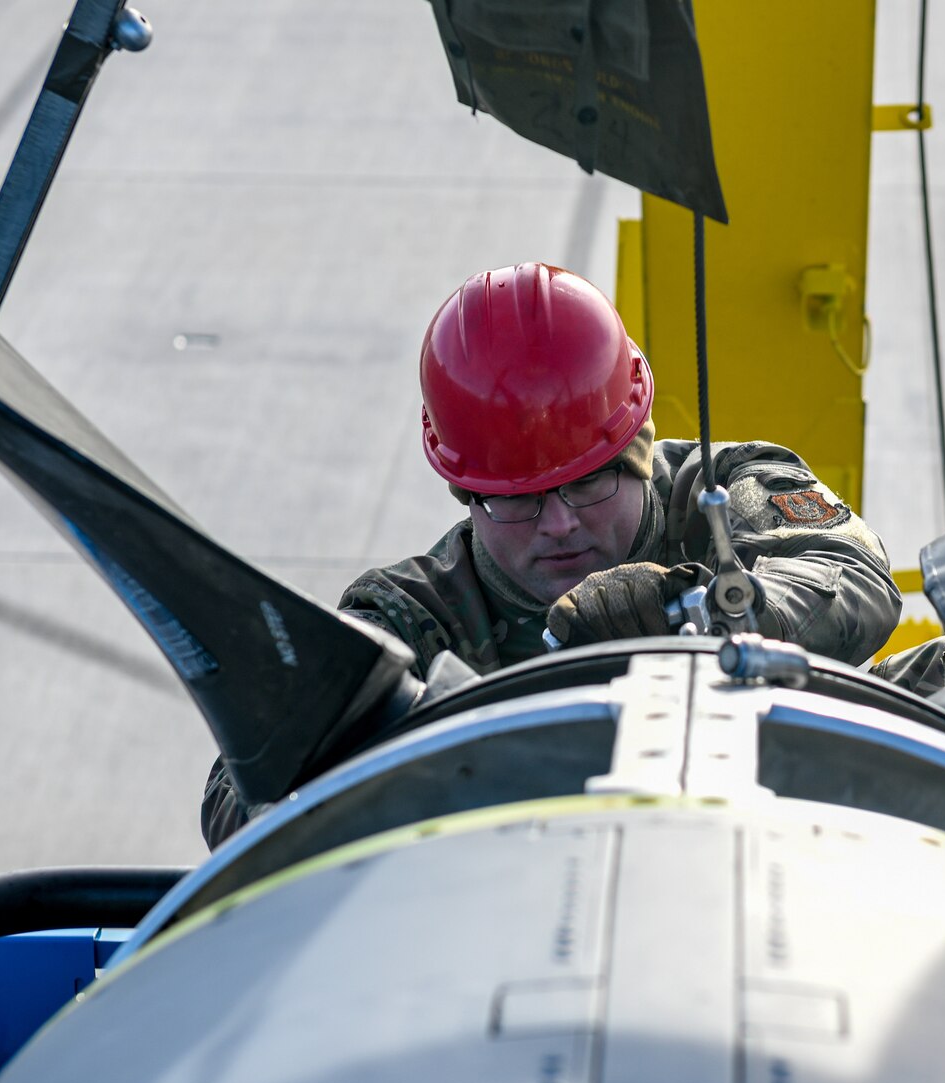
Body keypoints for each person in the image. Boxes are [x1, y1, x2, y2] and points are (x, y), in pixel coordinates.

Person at [201, 262, 900, 846]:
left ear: (640, 449)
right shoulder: (414, 614)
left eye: (589, 481)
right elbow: (239, 797)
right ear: (465, 495)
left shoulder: (722, 492)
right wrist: (419, 743)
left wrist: (709, 614)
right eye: (516, 499)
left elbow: (852, 577)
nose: (560, 524)